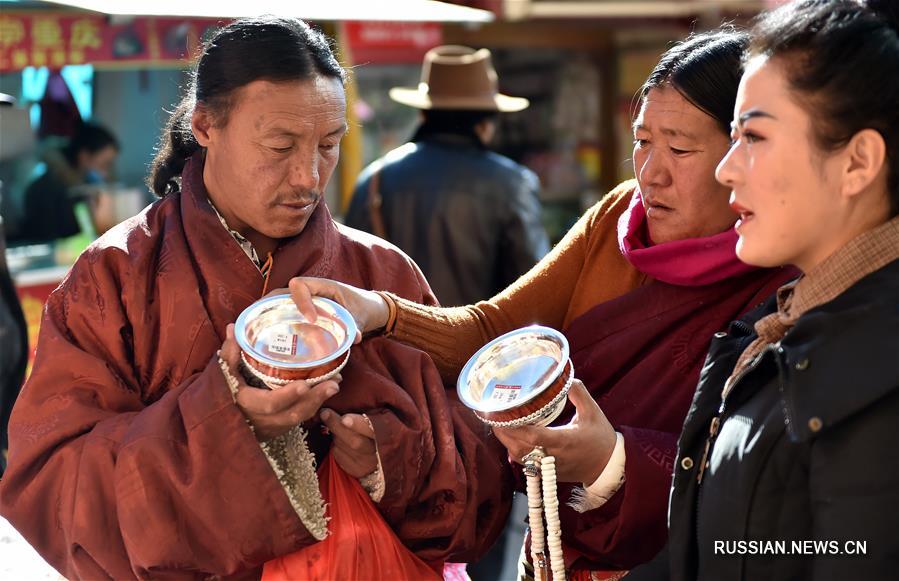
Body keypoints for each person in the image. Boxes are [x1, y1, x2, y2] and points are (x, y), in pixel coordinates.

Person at [0, 17, 510, 579]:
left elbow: (481, 475)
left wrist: (387, 461)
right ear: (205, 127)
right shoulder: (115, 277)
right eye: (280, 145)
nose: (308, 177)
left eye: (329, 145)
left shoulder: (383, 273)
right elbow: (50, 490)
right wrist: (225, 422)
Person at [289, 25, 798, 578]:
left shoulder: (789, 274)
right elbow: (500, 329)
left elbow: (771, 482)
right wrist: (380, 312)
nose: (650, 174)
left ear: (746, 154)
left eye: (680, 148)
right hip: (553, 552)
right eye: (643, 141)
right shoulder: (616, 217)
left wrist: (614, 461)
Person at [662, 1, 899, 579]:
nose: (726, 169)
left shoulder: (880, 369)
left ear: (858, 161)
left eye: (754, 137)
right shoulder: (784, 322)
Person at [345, 45, 549, 306]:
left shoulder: (374, 179)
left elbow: (348, 275)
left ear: (423, 114)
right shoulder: (512, 183)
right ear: (486, 124)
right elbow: (535, 284)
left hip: (392, 345)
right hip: (481, 344)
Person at [17, 121, 119, 243]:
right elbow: (53, 240)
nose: (106, 173)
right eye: (104, 165)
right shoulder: (50, 188)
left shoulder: (82, 184)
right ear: (84, 156)